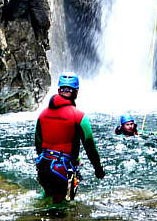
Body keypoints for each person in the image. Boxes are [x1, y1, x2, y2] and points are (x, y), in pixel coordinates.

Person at [34, 74, 105, 203]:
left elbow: (38, 144)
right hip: (63, 169)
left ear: (59, 90)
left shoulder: (42, 115)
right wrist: (98, 169)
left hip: (43, 166)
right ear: (76, 92)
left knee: (47, 198)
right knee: (64, 206)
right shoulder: (79, 117)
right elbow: (90, 146)